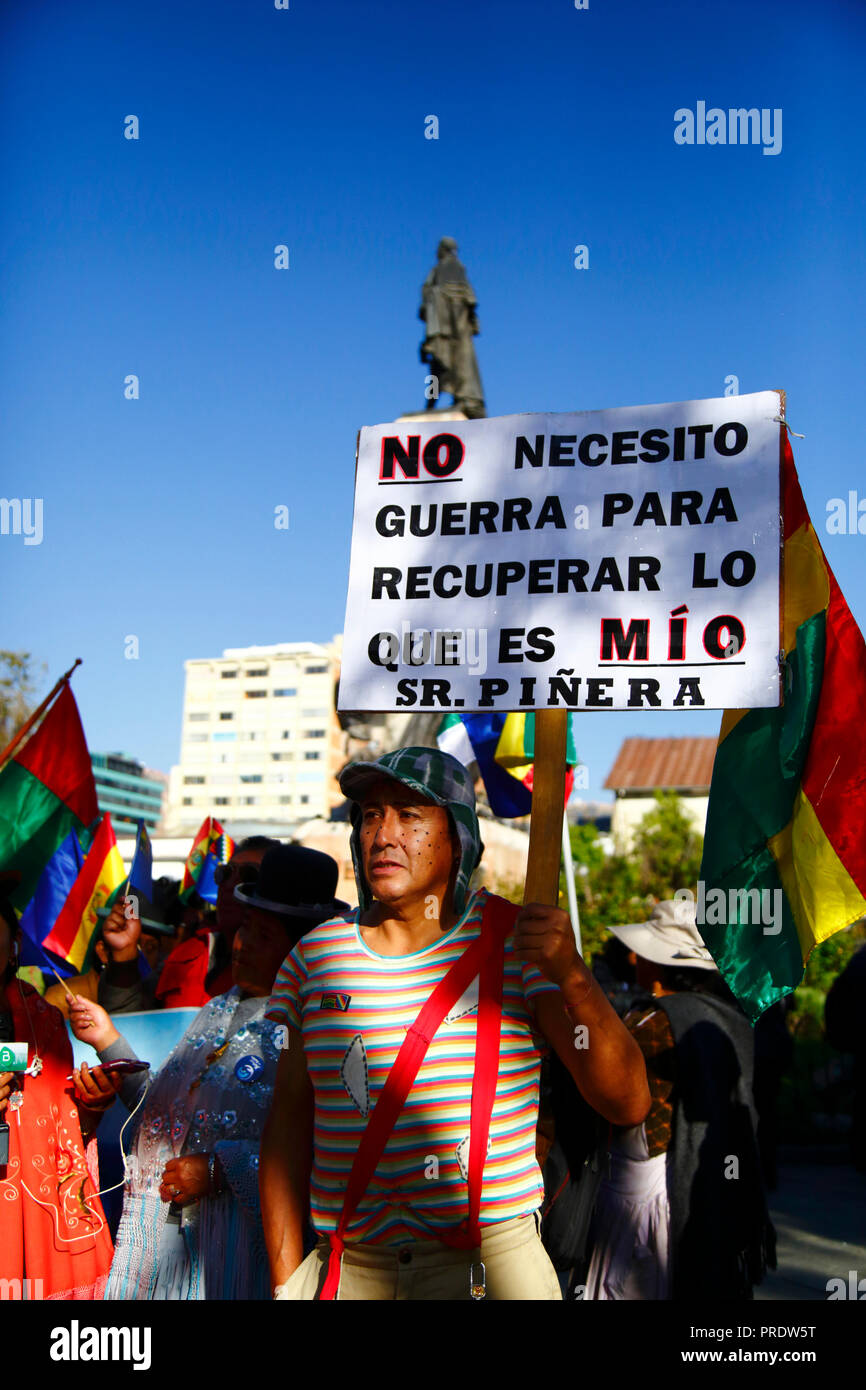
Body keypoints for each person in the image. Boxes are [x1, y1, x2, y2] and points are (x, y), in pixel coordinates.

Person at [260, 746, 649, 1301]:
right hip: (350, 1270)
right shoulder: (312, 959)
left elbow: (626, 1102)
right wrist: (287, 1282)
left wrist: (574, 978)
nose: (385, 834)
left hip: (489, 1270)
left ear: (459, 837)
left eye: (410, 814)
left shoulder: (520, 944)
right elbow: (286, 1132)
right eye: (371, 814)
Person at [68, 844, 346, 1300]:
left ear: (302, 949)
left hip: (244, 1268)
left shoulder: (316, 1028)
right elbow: (165, 1114)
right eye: (245, 929)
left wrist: (220, 1170)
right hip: (170, 1258)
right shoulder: (217, 1010)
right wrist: (107, 1041)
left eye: (263, 935)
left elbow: (321, 1152)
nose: (241, 945)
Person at [583, 899, 775, 1301]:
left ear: (657, 962)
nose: (634, 956)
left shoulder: (651, 1024)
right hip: (698, 1191)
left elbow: (604, 1094)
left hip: (644, 1200)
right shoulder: (722, 1017)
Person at [0, 872, 117, 1299]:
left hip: (35, 1219)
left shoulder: (43, 1021)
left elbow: (64, 1139)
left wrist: (91, 1104)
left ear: (13, 945)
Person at [153, 836, 279, 1008]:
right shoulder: (187, 953)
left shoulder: (291, 969)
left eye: (249, 875)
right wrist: (124, 963)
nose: (229, 885)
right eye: (225, 873)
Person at [419, 238, 486, 417]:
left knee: (455, 362)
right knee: (445, 364)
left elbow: (430, 293)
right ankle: (457, 398)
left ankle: (463, 398)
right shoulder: (453, 269)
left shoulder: (445, 268)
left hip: (449, 327)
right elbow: (470, 299)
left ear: (443, 250)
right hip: (449, 327)